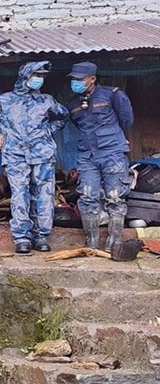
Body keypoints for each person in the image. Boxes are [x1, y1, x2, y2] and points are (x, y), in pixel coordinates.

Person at [0, 61, 69, 254]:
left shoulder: (47, 101)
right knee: (20, 195)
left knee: (44, 195)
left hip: (43, 154)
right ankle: (22, 237)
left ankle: (42, 235)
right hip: (15, 155)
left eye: (42, 77)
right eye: (36, 75)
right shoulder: (3, 101)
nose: (39, 80)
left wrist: (47, 131)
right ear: (25, 77)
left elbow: (63, 117)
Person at [67, 62, 135, 251]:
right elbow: (78, 125)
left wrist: (111, 139)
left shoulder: (112, 94)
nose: (76, 82)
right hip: (87, 155)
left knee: (115, 196)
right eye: (73, 79)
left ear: (92, 79)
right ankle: (92, 243)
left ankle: (115, 241)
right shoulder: (73, 104)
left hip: (112, 152)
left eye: (79, 79)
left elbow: (126, 119)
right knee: (88, 196)